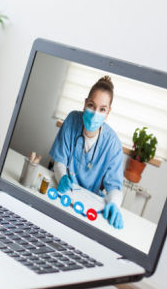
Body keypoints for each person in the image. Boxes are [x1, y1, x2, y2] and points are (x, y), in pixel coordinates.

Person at [48, 76, 124, 229]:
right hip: (63, 192)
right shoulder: (72, 120)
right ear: (85, 104)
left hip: (87, 203)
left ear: (108, 112)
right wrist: (62, 176)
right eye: (91, 105)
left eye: (102, 109)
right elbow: (60, 161)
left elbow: (114, 187)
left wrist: (115, 204)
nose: (95, 113)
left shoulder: (113, 144)